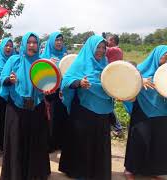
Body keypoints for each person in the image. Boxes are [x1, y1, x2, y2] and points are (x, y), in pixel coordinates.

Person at [59, 35, 113, 180]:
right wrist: (79, 83)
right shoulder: (80, 63)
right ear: (91, 48)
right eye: (98, 47)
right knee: (84, 143)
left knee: (99, 143)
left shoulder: (106, 65)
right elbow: (66, 81)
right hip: (84, 111)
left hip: (103, 111)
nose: (101, 50)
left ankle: (98, 172)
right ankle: (80, 172)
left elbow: (114, 84)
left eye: (103, 47)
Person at [0, 32, 51, 180]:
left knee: (35, 144)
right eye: (29, 42)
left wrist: (47, 91)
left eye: (35, 42)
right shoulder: (14, 61)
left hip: (36, 109)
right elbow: (3, 78)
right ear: (23, 44)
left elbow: (49, 87)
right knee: (16, 144)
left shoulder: (42, 63)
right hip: (16, 109)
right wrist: (10, 79)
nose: (32, 45)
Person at [124, 45, 167, 180]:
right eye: (165, 55)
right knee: (139, 141)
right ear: (157, 55)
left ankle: (153, 170)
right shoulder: (139, 71)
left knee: (158, 143)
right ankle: (130, 169)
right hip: (142, 112)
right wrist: (140, 81)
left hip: (161, 113)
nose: (166, 59)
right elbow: (125, 83)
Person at [40, 32, 68, 152]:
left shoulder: (66, 56)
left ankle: (61, 142)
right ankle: (50, 144)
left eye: (61, 40)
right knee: (50, 117)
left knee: (62, 116)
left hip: (63, 91)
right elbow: (39, 74)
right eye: (56, 40)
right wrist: (48, 63)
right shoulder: (44, 56)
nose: (59, 42)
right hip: (49, 92)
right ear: (51, 42)